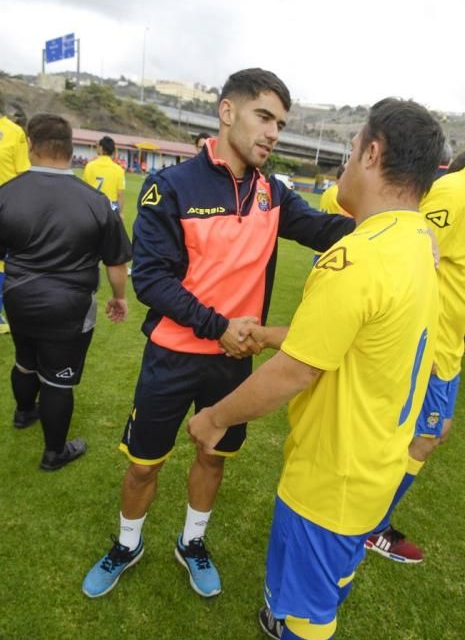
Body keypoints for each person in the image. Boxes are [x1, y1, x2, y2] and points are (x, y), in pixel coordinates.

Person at [188, 97, 443, 640]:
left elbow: (295, 373)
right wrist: (273, 334)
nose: (348, 162)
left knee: (310, 602)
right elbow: (352, 339)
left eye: (353, 148)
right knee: (336, 567)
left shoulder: (358, 257)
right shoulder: (416, 243)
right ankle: (298, 633)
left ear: (372, 153)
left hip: (334, 471)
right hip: (378, 458)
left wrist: (215, 419)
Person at [81, 67, 355, 600]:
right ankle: (128, 543)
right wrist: (218, 326)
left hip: (232, 364)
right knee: (143, 465)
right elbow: (151, 280)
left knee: (213, 456)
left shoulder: (273, 192)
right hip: (172, 355)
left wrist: (392, 228)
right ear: (227, 112)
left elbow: (325, 231)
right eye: (264, 117)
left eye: (280, 122)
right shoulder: (171, 186)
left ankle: (192, 542)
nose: (274, 132)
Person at [0, 114, 132, 470]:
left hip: (18, 297)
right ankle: (53, 452)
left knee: (25, 360)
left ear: (30, 145)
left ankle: (24, 412)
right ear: (72, 149)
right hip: (69, 305)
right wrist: (119, 298)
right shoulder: (94, 200)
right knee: (57, 380)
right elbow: (116, 263)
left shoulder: (7, 193)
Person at [365, 140, 465, 563]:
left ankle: (369, 519)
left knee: (430, 433)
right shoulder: (454, 192)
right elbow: (404, 246)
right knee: (421, 435)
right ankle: (370, 525)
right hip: (432, 345)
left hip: (451, 347)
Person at [0, 92, 30, 334]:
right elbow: (23, 173)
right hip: (7, 206)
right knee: (5, 262)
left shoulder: (14, 132)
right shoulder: (14, 132)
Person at [83, 135, 126, 216]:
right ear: (113, 151)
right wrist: (119, 213)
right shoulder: (119, 170)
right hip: (110, 207)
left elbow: (84, 191)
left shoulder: (89, 166)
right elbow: (120, 196)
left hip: (93, 206)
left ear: (101, 149)